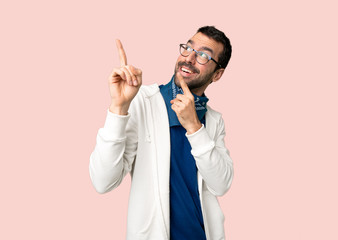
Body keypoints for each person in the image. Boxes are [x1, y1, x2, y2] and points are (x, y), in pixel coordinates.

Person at [89, 26, 234, 240]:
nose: (190, 58)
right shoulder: (142, 101)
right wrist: (118, 109)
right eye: (188, 48)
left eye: (203, 55)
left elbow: (221, 184)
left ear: (218, 74)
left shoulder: (213, 121)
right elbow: (103, 182)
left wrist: (194, 127)